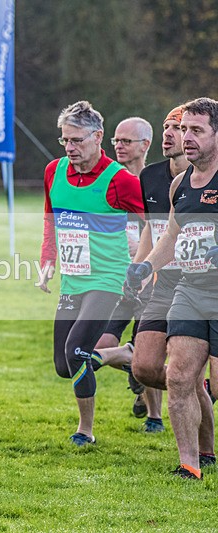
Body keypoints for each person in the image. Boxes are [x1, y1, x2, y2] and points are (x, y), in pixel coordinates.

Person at [37, 101, 144, 446]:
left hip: (108, 279)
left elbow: (156, 225)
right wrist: (47, 260)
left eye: (77, 140)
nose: (69, 148)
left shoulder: (121, 181)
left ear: (97, 137)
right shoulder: (54, 171)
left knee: (77, 351)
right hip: (73, 280)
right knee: (63, 365)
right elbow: (51, 219)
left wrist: (146, 265)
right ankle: (122, 354)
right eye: (64, 140)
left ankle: (86, 430)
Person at [125, 97, 218, 479]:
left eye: (196, 130)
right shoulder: (180, 183)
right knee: (179, 375)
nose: (186, 137)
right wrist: (146, 265)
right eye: (184, 129)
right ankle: (190, 464)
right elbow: (173, 236)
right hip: (190, 291)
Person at [128, 107, 200, 434]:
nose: (169, 134)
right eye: (166, 127)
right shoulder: (151, 177)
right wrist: (140, 269)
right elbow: (155, 230)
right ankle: (189, 390)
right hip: (164, 281)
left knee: (194, 377)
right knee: (144, 367)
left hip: (203, 285)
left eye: (178, 127)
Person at [92, 117, 153, 420]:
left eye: (126, 141)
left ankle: (154, 415)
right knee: (103, 345)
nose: (119, 146)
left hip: (150, 280)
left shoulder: (155, 183)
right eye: (116, 140)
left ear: (145, 145)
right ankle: (136, 372)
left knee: (147, 346)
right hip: (116, 280)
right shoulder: (108, 183)